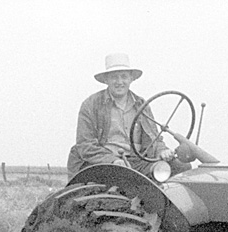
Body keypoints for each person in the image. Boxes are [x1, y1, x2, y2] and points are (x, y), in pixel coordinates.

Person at [66, 52, 195, 177]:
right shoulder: (91, 104)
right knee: (116, 178)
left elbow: (154, 138)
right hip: (103, 163)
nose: (119, 82)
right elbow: (85, 145)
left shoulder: (141, 105)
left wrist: (162, 151)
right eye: (114, 77)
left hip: (136, 162)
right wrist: (112, 160)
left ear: (131, 79)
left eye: (124, 77)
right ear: (106, 80)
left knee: (181, 167)